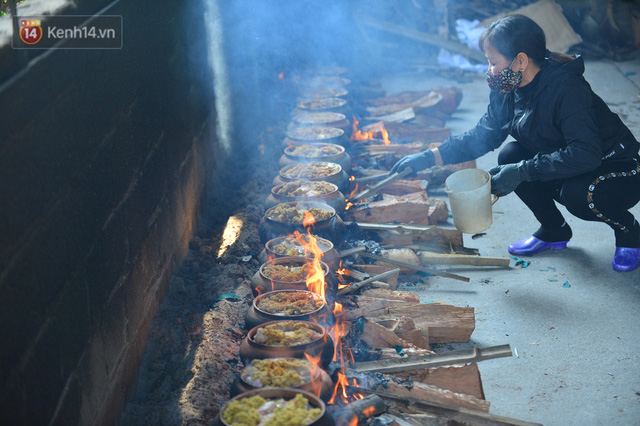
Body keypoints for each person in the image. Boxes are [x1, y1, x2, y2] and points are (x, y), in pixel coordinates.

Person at [390, 14, 640, 272]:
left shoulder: (566, 88)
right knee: (511, 155)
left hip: (617, 168)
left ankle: (629, 232)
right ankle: (554, 231)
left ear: (521, 60)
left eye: (492, 62)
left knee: (577, 194)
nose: (489, 70)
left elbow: (586, 153)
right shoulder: (506, 86)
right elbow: (484, 134)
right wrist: (430, 156)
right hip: (571, 160)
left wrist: (524, 171)